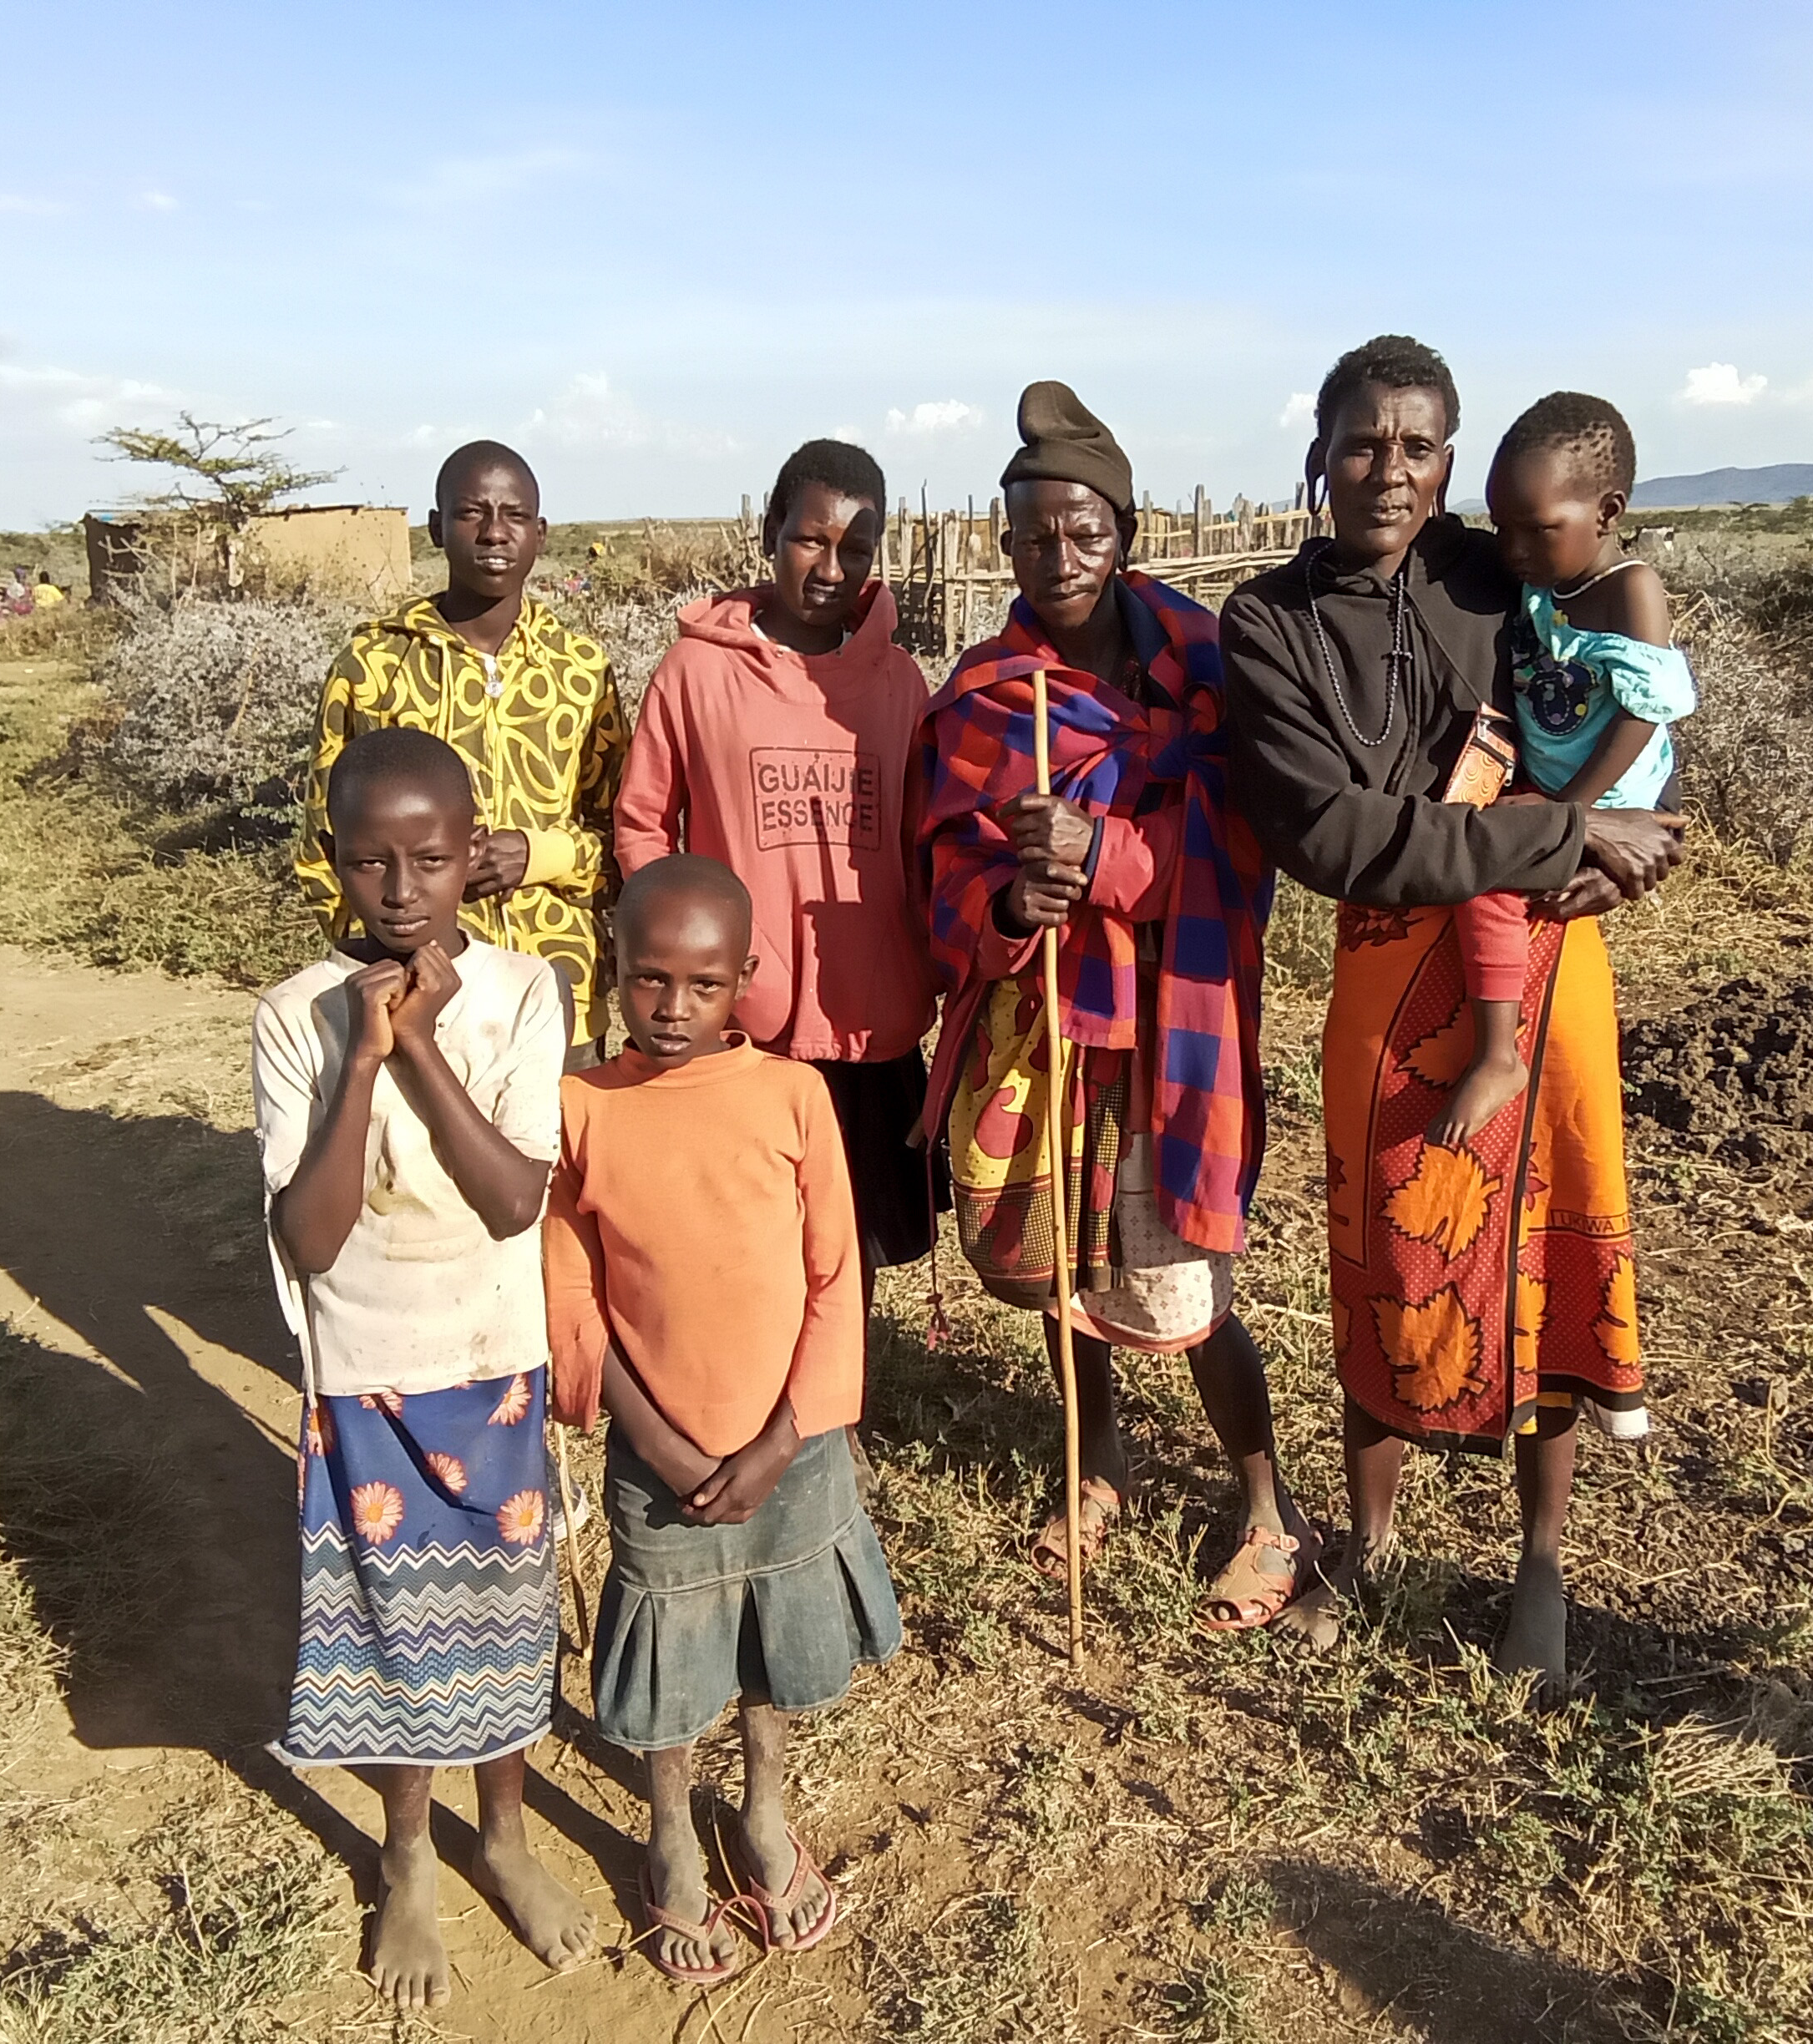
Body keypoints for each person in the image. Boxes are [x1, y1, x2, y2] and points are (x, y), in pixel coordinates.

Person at [1219, 336, 1685, 1677]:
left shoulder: (1495, 574)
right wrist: (1564, 837)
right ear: (1319, 455)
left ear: (1448, 461)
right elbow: (1330, 832)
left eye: (1417, 446)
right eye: (1362, 443)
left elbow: (1631, 696)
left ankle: (1539, 1558)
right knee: (1385, 1247)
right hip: (1387, 963)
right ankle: (1367, 1545)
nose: (1389, 470)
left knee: (1541, 1241)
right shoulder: (1269, 621)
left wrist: (1644, 832)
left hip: (1545, 960)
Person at [912, 381, 1305, 1631]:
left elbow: (1250, 837)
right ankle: (1099, 1463)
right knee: (1065, 1269)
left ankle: (1268, 1509)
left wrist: (1109, 859)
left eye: (1084, 532)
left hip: (1170, 1022)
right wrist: (1012, 899)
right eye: (1033, 536)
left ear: (1125, 533)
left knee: (1184, 1282)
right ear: (1003, 544)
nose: (1060, 557)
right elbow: (943, 866)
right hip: (1042, 1022)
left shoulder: (1208, 668)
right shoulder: (989, 691)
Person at [251, 727, 598, 2008]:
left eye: (432, 860)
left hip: (490, 1357)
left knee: (501, 1623)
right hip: (363, 1375)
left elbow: (512, 1200)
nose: (401, 891)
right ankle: (407, 1855)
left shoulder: (523, 994)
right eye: (369, 862)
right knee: (391, 1630)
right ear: (331, 859)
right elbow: (310, 1235)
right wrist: (363, 1054)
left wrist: (425, 1046)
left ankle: (503, 1836)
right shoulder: (297, 1017)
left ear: (474, 855)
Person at [544, 856, 900, 1984]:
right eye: (649, 978)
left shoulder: (792, 1096)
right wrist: (653, 1440)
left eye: (704, 984)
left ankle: (763, 1812)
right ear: (613, 966)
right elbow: (571, 1293)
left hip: (790, 1446)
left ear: (747, 978)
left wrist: (785, 1436)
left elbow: (836, 1275)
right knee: (671, 1654)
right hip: (662, 1456)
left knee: (770, 1642)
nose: (672, 1006)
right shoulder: (580, 1109)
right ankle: (668, 1836)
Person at [612, 438, 939, 1315]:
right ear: (770, 533)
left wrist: (926, 961)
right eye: (810, 540)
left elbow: (923, 843)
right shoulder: (696, 671)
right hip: (742, 1019)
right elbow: (643, 824)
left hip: (866, 1013)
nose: (831, 569)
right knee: (743, 1238)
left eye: (856, 549)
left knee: (850, 1246)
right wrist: (690, 962)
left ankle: (841, 1396)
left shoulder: (899, 684)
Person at [294, 440, 627, 1070]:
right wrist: (373, 964)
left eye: (515, 516)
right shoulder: (373, 666)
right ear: (435, 528)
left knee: (560, 1136)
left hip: (560, 986)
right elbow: (323, 843)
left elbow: (627, 833)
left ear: (540, 534)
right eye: (472, 513)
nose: (494, 533)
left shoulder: (581, 670)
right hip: (414, 994)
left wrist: (541, 853)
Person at [1432, 392, 1695, 1147]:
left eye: (1536, 528)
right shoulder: (1540, 586)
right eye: (1501, 527)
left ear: (1608, 512)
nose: (1512, 548)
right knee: (1486, 850)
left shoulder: (1630, 591)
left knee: (1489, 877)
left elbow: (1643, 714)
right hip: (1559, 789)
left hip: (1611, 792)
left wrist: (1569, 817)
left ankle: (1497, 1054)